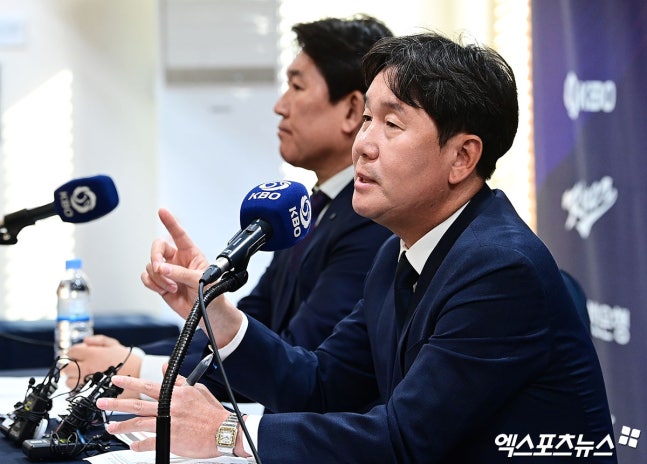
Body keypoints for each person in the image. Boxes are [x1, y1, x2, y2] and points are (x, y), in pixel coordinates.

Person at [98, 32, 616, 463]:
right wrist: (217, 312)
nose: (363, 144)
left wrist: (227, 432)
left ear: (462, 157)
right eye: (367, 118)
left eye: (392, 124)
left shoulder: (499, 268)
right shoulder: (398, 253)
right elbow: (320, 385)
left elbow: (404, 441)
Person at [62, 15, 393, 393]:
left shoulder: (371, 220)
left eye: (297, 87)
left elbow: (295, 357)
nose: (280, 106)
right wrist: (133, 356)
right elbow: (251, 324)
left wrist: (136, 367)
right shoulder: (305, 208)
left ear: (351, 111)